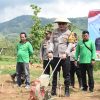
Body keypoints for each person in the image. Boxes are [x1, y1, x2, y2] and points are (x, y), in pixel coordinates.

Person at [48, 17, 72, 96]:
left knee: (66, 74)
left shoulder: (70, 33)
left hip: (65, 57)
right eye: (59, 23)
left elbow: (71, 44)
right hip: (55, 56)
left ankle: (67, 90)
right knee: (55, 73)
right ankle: (53, 91)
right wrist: (50, 51)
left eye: (63, 23)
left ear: (66, 24)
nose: (61, 25)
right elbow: (51, 42)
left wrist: (66, 53)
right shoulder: (54, 32)